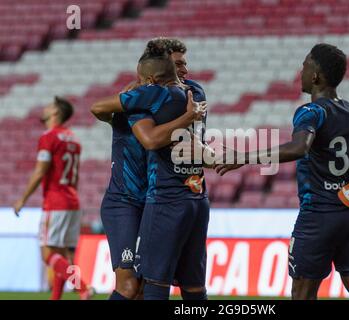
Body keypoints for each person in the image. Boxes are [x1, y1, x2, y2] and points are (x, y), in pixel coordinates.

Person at [215, 43, 349, 300]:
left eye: (305, 66)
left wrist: (244, 157)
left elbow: (299, 148)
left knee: (302, 293)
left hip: (319, 214)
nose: (301, 71)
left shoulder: (311, 111)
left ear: (316, 75)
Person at [90, 39, 206, 300]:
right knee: (130, 287)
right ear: (158, 73)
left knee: (145, 286)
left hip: (156, 201)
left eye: (184, 65)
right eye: (177, 66)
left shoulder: (185, 95)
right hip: (124, 201)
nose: (182, 72)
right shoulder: (137, 101)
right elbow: (100, 109)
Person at [13, 96, 93, 300]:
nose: (45, 108)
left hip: (55, 202)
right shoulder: (74, 138)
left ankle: (83, 287)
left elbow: (40, 172)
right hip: (72, 201)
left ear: (55, 113)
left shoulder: (49, 137)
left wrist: (22, 199)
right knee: (64, 254)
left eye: (49, 106)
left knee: (48, 254)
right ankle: (56, 297)